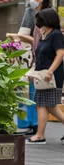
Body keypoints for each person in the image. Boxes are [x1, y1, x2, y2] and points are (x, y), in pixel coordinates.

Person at [8, 0, 52, 136]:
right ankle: (26, 124)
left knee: (40, 94)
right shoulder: (29, 12)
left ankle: (35, 125)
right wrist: (16, 45)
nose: (30, 2)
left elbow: (48, 39)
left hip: (46, 57)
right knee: (25, 90)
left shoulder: (49, 14)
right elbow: (24, 34)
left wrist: (20, 37)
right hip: (29, 57)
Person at [27, 8, 64, 145]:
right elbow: (40, 55)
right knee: (50, 106)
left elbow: (60, 54)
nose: (38, 22)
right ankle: (40, 134)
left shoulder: (56, 35)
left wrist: (50, 71)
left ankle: (40, 135)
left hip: (51, 75)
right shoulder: (45, 34)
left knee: (42, 103)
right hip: (42, 75)